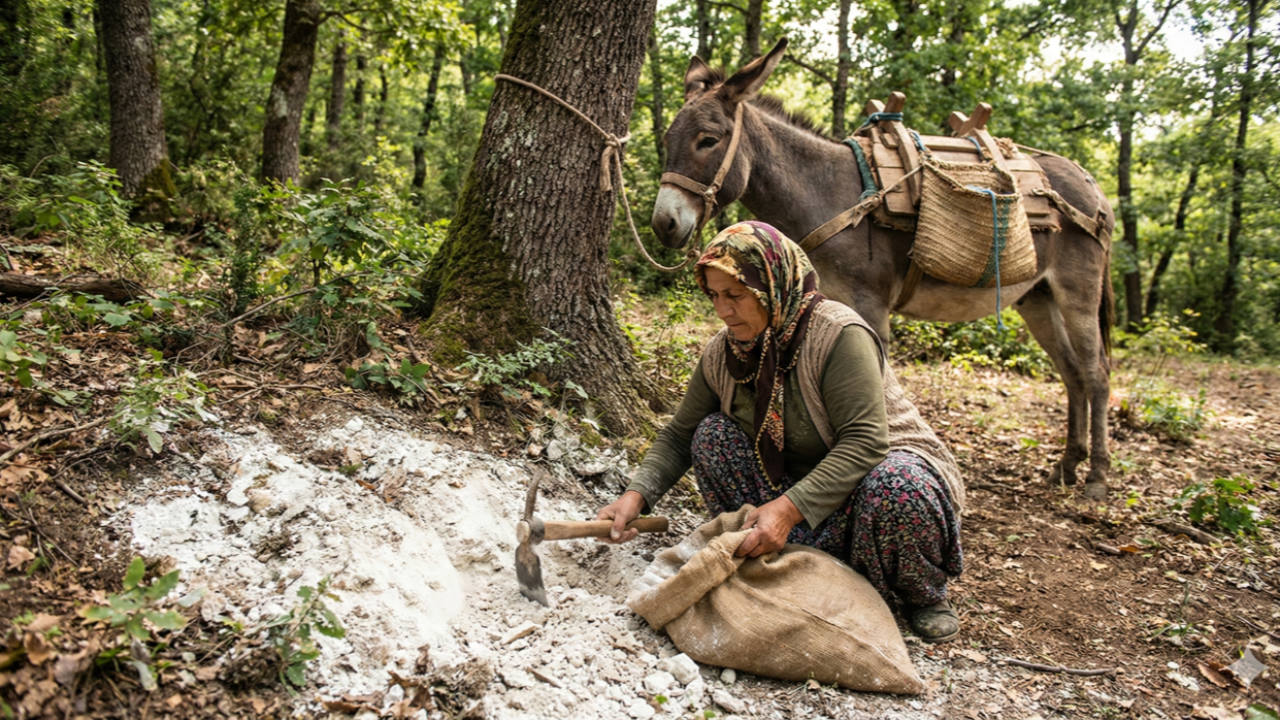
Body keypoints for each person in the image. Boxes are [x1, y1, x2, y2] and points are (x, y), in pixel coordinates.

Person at [596, 221, 966, 643]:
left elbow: (866, 442)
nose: (723, 310)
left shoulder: (838, 335)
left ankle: (921, 594)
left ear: (772, 286)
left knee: (899, 484)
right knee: (712, 435)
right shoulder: (725, 353)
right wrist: (635, 497)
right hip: (795, 497)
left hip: (866, 493)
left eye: (735, 295)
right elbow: (681, 434)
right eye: (714, 295)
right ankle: (799, 565)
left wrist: (787, 511)